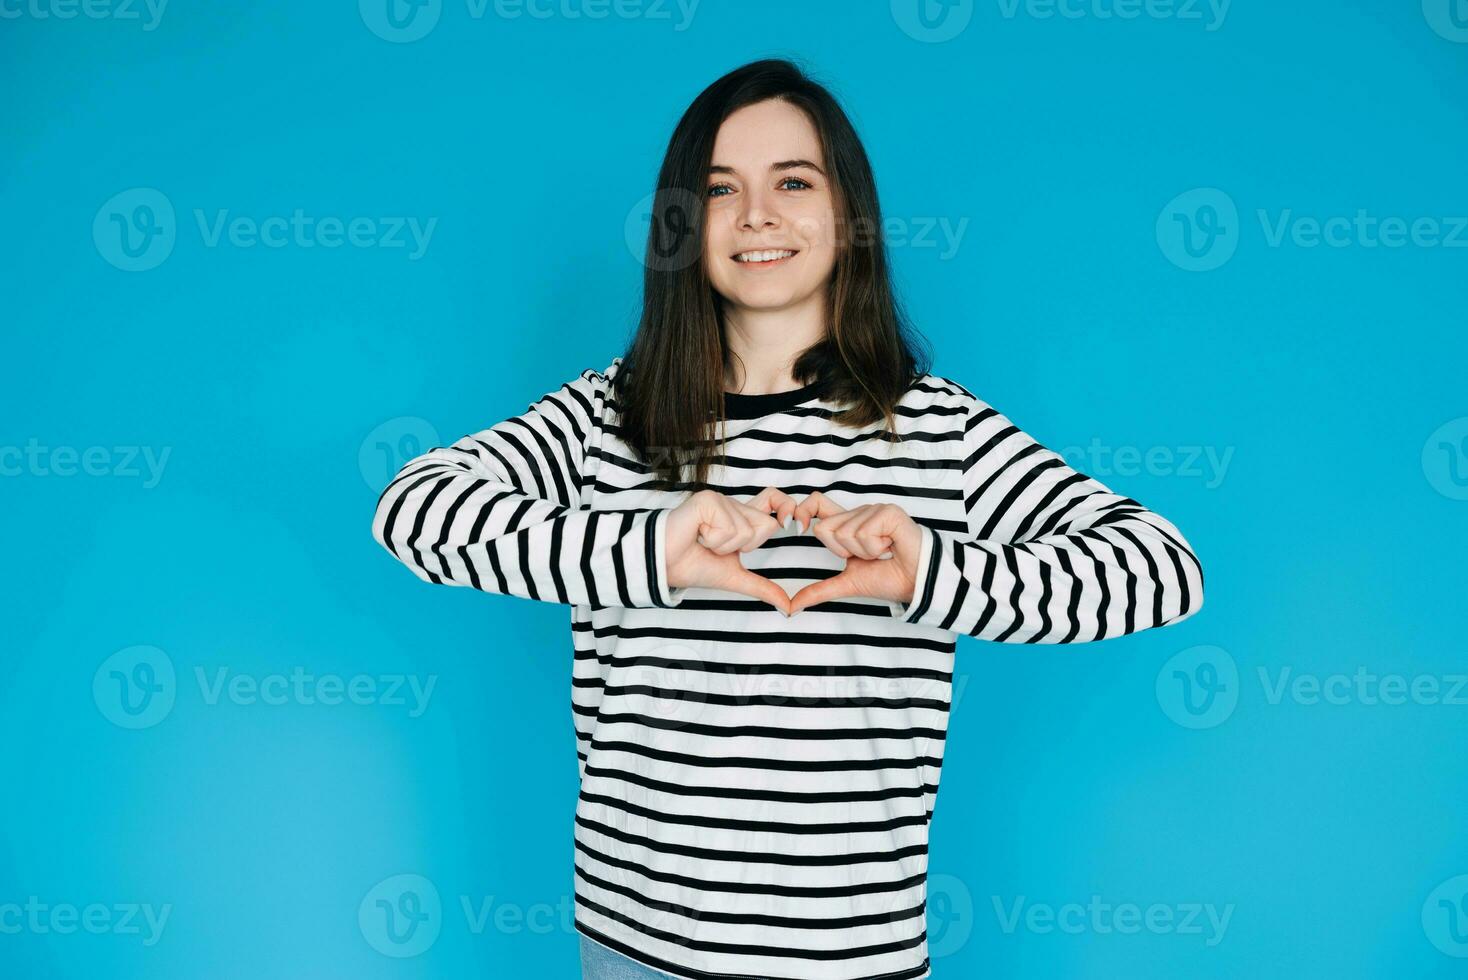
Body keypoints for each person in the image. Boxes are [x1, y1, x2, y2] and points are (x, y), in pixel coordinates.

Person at [371, 58, 1204, 980]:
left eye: (792, 182)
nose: (757, 215)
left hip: (850, 961)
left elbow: (1161, 569)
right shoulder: (607, 413)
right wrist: (656, 545)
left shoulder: (936, 429)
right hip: (634, 951)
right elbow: (415, 509)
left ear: (849, 214)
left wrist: (933, 570)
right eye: (721, 189)